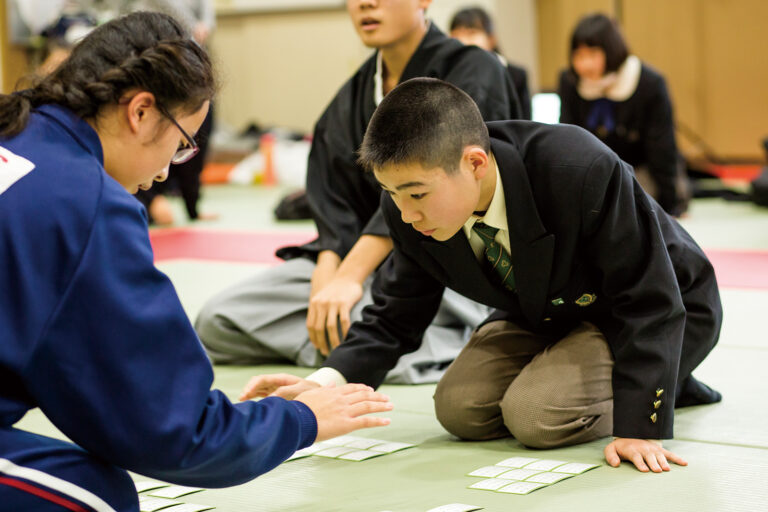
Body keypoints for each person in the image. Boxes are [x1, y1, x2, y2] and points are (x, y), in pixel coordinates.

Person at [0, 12, 391, 512]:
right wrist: (299, 419)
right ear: (141, 111)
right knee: (94, 496)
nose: (167, 170)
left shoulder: (19, 135)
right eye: (182, 145)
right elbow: (171, 429)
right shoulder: (85, 201)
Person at [242, 77, 723, 474]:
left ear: (474, 162)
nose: (406, 215)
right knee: (459, 407)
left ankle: (662, 378)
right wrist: (324, 384)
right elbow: (396, 316)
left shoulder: (578, 167)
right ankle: (596, 376)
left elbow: (650, 298)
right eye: (391, 194)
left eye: (415, 194)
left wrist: (641, 426)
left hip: (658, 307)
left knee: (534, 414)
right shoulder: (410, 208)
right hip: (548, 311)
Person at [195, 0, 523, 385]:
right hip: (367, 269)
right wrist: (329, 278)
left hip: (445, 259)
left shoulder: (473, 70)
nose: (366, 3)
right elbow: (334, 200)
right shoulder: (353, 94)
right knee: (218, 319)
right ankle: (353, 346)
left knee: (398, 316)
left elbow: (443, 199)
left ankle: (357, 348)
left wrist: (350, 278)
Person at [558, 13, 689, 217]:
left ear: (611, 50)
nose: (585, 65)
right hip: (594, 170)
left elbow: (662, 147)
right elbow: (567, 140)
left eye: (592, 54)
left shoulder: (649, 82)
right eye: (579, 56)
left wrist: (670, 203)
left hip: (641, 168)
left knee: (635, 209)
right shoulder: (569, 82)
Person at [132, 0, 218, 225]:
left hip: (189, 54)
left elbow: (206, 13)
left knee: (195, 134)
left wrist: (203, 26)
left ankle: (191, 203)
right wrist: (149, 200)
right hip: (150, 53)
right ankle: (146, 199)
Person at [449, 6, 531, 120]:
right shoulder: (448, 73)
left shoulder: (516, 75)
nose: (463, 40)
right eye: (456, 34)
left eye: (471, 33)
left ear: (491, 39)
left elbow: (525, 123)